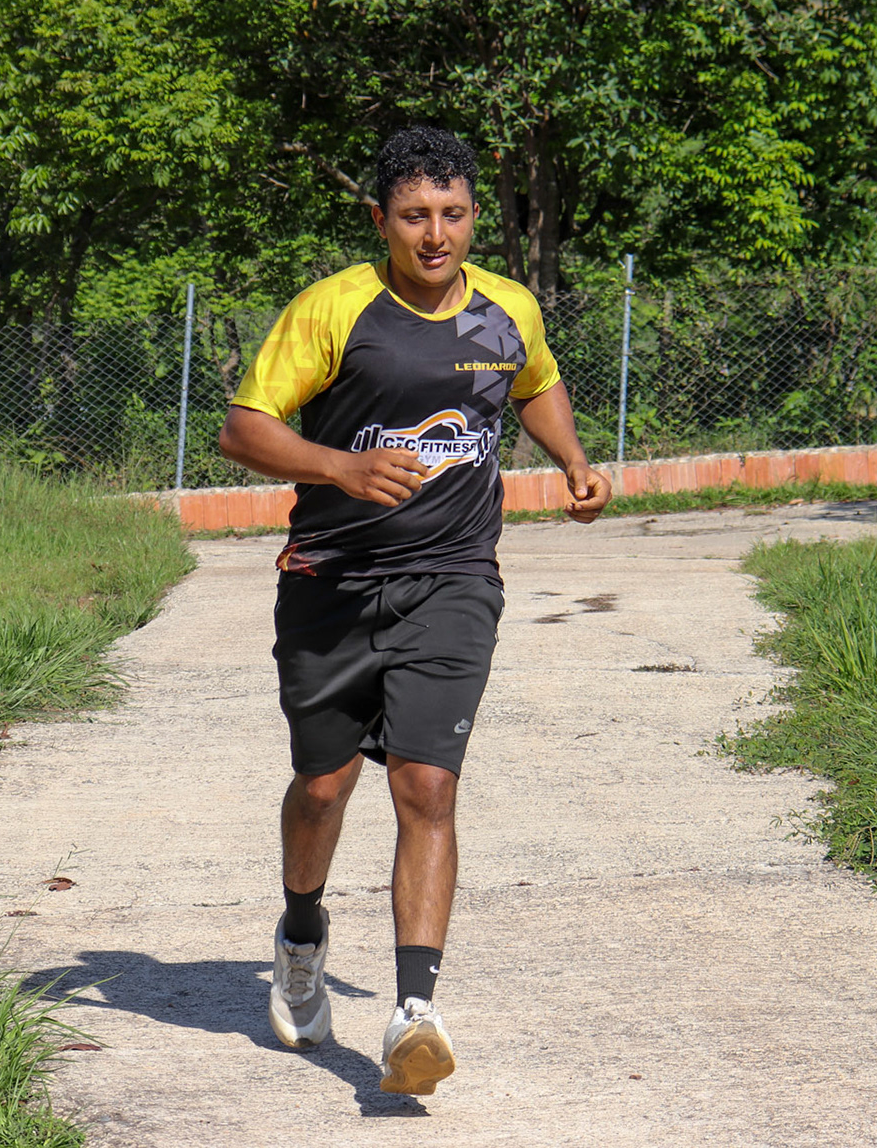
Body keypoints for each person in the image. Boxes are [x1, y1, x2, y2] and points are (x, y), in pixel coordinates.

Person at [217, 124, 612, 1096]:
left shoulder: (505, 309)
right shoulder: (336, 308)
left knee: (427, 785)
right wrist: (340, 466)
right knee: (323, 787)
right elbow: (244, 429)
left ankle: (414, 1011)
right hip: (333, 581)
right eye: (414, 216)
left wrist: (572, 458)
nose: (436, 234)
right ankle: (300, 933)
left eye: (453, 213)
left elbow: (536, 382)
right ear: (380, 219)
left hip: (454, 578)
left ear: (474, 215)